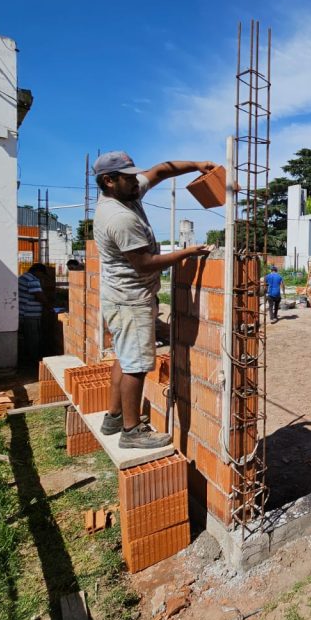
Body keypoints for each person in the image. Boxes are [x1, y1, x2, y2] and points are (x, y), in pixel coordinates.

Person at [93, 150, 216, 449]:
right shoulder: (119, 217)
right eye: (128, 177)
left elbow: (160, 170)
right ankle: (131, 431)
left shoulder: (128, 192)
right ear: (109, 181)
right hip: (130, 300)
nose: (137, 181)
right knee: (136, 364)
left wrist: (196, 165)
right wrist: (187, 253)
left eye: (136, 175)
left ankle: (114, 416)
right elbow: (145, 262)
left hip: (122, 296)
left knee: (125, 356)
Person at [18, 263, 52, 365]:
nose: (41, 277)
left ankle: (27, 360)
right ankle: (33, 363)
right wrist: (50, 308)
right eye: (42, 275)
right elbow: (39, 296)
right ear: (37, 271)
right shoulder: (32, 280)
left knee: (26, 339)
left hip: (23, 312)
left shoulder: (23, 277)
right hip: (29, 315)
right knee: (33, 339)